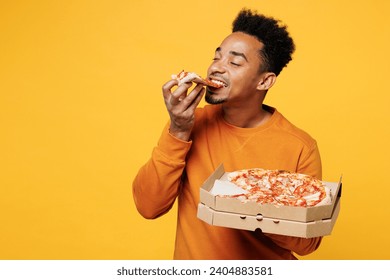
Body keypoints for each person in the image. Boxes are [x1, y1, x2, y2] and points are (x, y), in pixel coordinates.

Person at [132, 8, 323, 259]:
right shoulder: (190, 123)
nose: (216, 68)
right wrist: (178, 130)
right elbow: (148, 206)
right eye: (216, 57)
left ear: (264, 81)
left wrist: (253, 204)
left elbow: (307, 243)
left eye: (234, 62)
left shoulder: (299, 146)